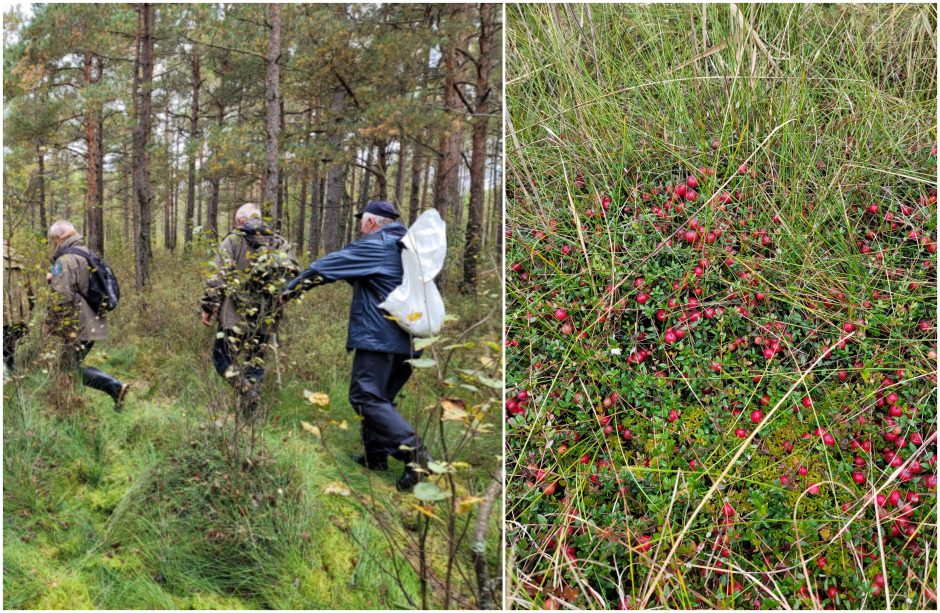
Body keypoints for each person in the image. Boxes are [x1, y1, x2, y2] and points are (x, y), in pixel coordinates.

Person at [280, 199, 429, 492]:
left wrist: (292, 288)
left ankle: (417, 458)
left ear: (372, 222)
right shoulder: (408, 246)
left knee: (365, 397)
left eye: (363, 220)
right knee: (380, 398)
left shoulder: (377, 244)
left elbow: (328, 266)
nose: (361, 225)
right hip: (410, 340)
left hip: (380, 338)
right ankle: (375, 458)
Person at [200, 202, 298, 415]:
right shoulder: (278, 242)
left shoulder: (233, 241)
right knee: (256, 362)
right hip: (265, 317)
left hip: (234, 316)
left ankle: (245, 390)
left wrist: (208, 307)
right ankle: (249, 413)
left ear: (240, 221)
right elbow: (294, 276)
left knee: (221, 358)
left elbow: (218, 276)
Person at [45, 220, 129, 408]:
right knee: (69, 366)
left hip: (76, 324)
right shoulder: (87, 253)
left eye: (53, 241)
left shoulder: (65, 260)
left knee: (66, 368)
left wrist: (50, 323)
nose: (53, 245)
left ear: (58, 238)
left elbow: (61, 296)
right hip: (93, 320)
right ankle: (74, 404)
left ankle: (113, 387)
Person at [3, 239, 35, 372]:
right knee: (9, 345)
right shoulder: (19, 259)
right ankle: (10, 374)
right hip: (17, 314)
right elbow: (31, 292)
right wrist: (27, 310)